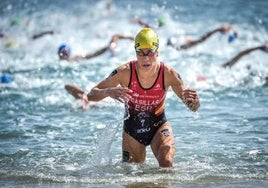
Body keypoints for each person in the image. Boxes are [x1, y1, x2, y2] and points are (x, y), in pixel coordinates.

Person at [65, 28, 200, 167]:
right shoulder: (124, 72)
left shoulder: (168, 74)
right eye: (140, 53)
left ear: (157, 52)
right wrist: (108, 92)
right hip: (132, 132)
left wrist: (194, 102)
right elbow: (91, 95)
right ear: (136, 53)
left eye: (150, 52)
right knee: (132, 174)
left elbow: (193, 106)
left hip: (158, 126)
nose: (145, 58)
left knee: (167, 161)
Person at [58, 34, 134, 61]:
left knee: (114, 37)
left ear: (69, 53)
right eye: (62, 53)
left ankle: (129, 37)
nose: (63, 55)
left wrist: (107, 48)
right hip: (111, 55)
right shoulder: (69, 61)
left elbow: (93, 55)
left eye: (65, 53)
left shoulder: (75, 58)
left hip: (112, 53)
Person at [167, 23, 238, 50]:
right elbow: (202, 39)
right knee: (199, 41)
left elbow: (202, 39)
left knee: (199, 41)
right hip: (181, 44)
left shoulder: (182, 45)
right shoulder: (182, 46)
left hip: (180, 43)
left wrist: (216, 30)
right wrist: (216, 30)